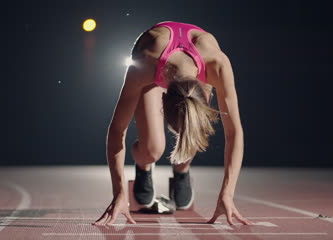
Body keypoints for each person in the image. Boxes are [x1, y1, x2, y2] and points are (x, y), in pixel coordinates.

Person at [92, 21, 251, 226]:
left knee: (192, 128)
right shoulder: (145, 63)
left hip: (195, 66)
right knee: (153, 149)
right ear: (162, 101)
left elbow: (234, 133)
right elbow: (117, 130)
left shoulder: (217, 65)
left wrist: (227, 194)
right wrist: (119, 192)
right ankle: (144, 166)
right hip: (156, 65)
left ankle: (182, 170)